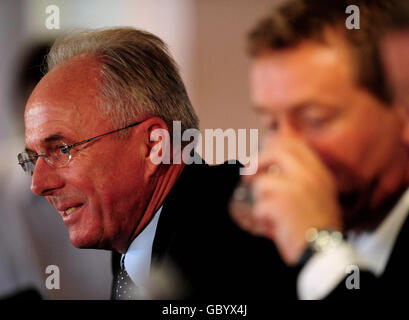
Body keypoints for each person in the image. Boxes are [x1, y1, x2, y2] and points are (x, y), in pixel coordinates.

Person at [20, 27, 291, 299]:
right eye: (33, 159)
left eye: (62, 149)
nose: (38, 184)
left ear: (153, 146)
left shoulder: (238, 236)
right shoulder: (135, 244)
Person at [231, 0, 409, 299]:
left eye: (316, 119)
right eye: (272, 124)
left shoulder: (311, 245)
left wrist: (318, 247)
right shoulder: (280, 245)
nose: (284, 148)